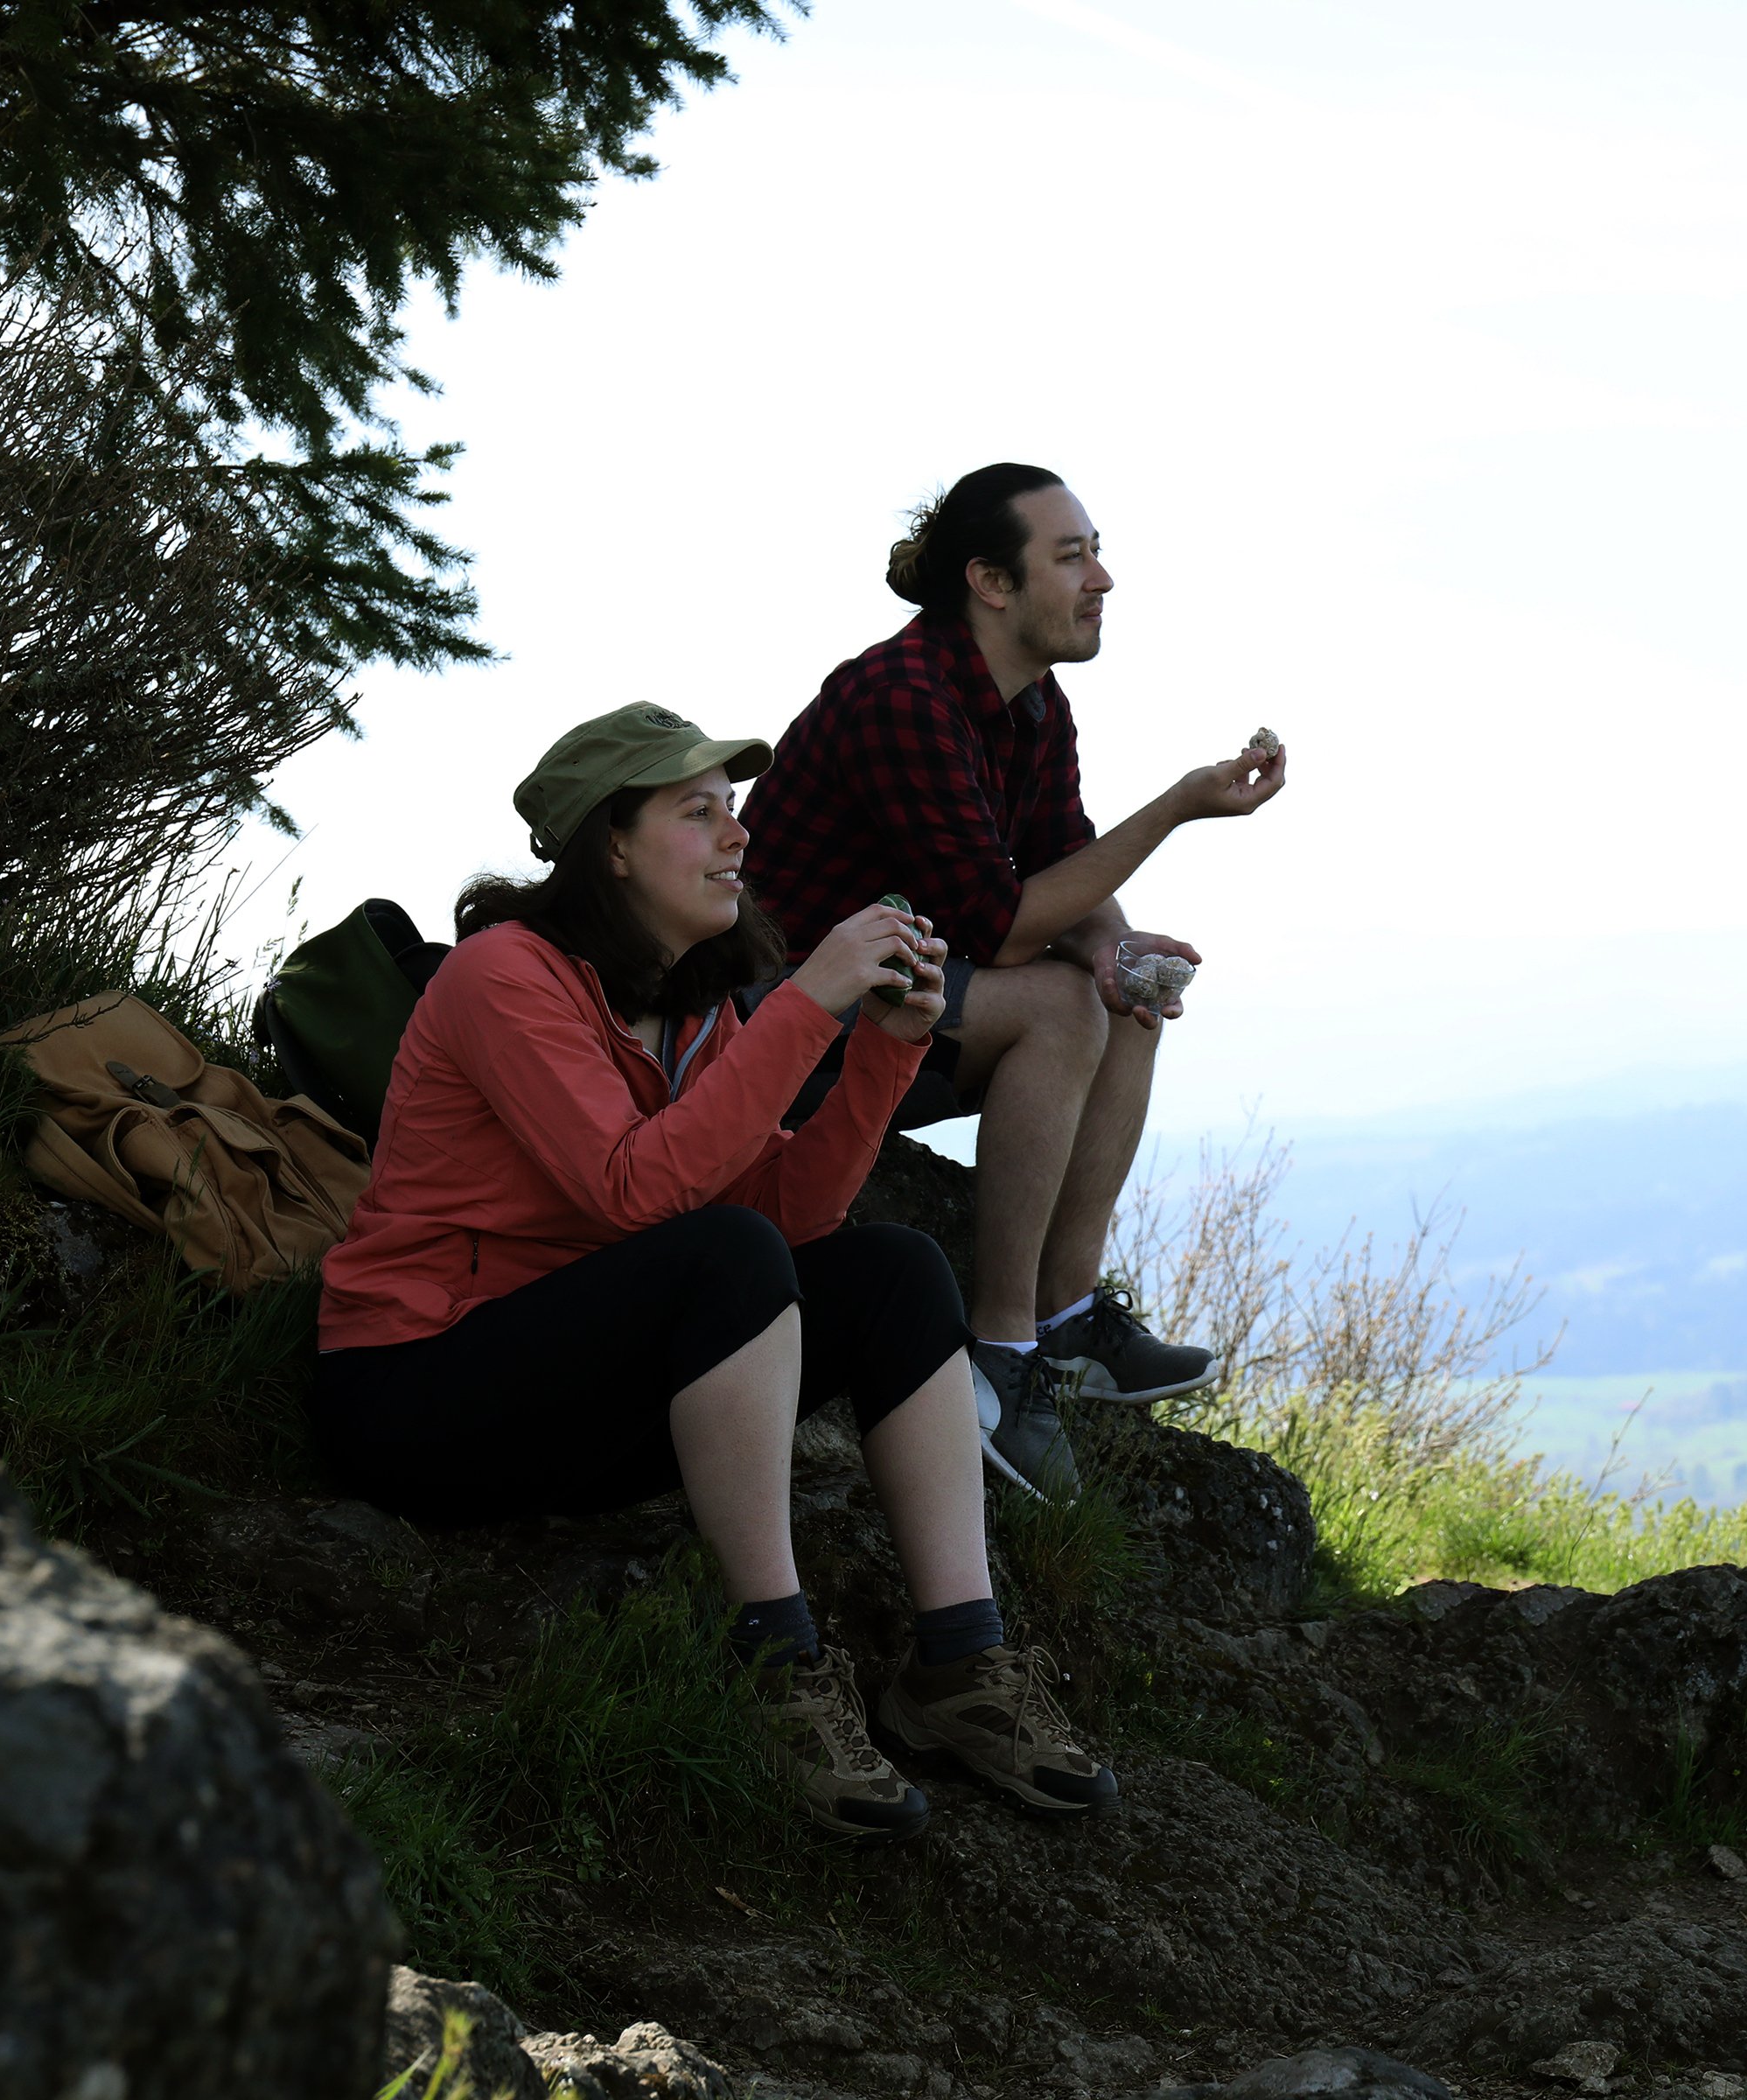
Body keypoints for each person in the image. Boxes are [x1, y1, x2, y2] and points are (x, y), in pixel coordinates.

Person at [310, 702, 1118, 1834]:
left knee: (895, 1269)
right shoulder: (504, 977)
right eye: (700, 813)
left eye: (733, 810)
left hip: (575, 1391)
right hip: (418, 1390)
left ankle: (959, 1666)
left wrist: (885, 1051)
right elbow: (634, 1191)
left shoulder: (689, 1018)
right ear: (613, 845)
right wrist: (804, 1003)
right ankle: (775, 1665)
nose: (738, 836)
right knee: (721, 1254)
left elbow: (792, 1215)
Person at [740, 463, 1289, 1501]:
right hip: (783, 1028)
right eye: (1072, 556)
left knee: (1124, 1000)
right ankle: (999, 1355)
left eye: (1096, 551)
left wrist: (1119, 952)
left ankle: (1069, 1321)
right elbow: (994, 922)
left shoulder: (1035, 706)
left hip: (899, 1000)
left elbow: (1062, 860)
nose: (1103, 579)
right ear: (992, 582)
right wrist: (1175, 807)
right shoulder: (903, 698)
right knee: (1054, 1002)